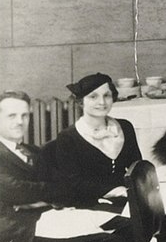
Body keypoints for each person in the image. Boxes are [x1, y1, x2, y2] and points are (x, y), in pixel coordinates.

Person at [0, 93, 98, 242]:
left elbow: (66, 184)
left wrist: (43, 197)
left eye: (24, 115)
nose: (20, 121)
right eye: (11, 116)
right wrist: (51, 193)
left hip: (41, 217)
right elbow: (15, 189)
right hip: (13, 229)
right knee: (109, 238)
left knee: (119, 228)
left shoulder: (31, 151)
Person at [43, 73, 143, 207]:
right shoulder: (68, 137)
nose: (102, 102)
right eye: (93, 97)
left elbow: (136, 166)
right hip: (88, 203)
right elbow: (73, 182)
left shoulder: (125, 127)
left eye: (106, 95)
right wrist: (113, 191)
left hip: (125, 198)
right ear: (81, 102)